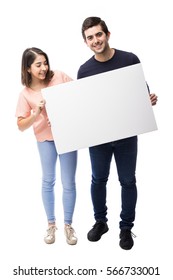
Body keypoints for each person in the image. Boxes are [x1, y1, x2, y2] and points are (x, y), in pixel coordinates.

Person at [77, 17, 158, 250]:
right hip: (99, 137)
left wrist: (148, 100)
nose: (95, 40)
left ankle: (125, 228)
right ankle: (101, 222)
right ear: (86, 42)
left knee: (128, 180)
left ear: (108, 34)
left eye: (98, 34)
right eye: (90, 37)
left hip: (126, 135)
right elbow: (84, 106)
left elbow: (141, 93)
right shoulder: (84, 70)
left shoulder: (129, 59)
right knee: (98, 180)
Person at [16, 47, 78, 245]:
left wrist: (64, 114)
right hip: (45, 140)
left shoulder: (59, 76)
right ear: (27, 69)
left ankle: (68, 225)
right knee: (48, 181)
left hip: (68, 136)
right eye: (38, 64)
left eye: (45, 62)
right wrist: (35, 114)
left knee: (68, 182)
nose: (44, 68)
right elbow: (20, 126)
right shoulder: (25, 94)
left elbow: (81, 96)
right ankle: (51, 226)